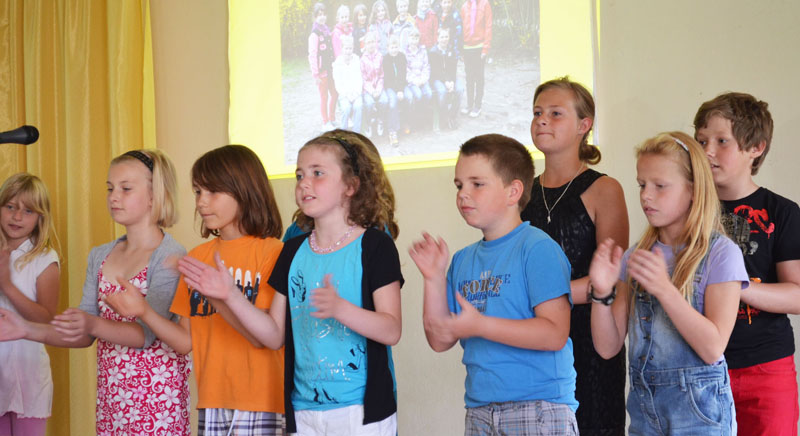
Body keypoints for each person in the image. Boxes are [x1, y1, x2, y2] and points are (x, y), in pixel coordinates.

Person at [182, 130, 403, 435]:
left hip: (361, 411)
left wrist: (340, 309)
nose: (304, 183)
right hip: (303, 412)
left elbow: (391, 330)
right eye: (300, 175)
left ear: (351, 186)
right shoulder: (292, 250)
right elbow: (274, 336)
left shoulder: (376, 246)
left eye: (317, 173)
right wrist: (229, 295)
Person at [0, 150, 191, 435]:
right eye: (110, 188)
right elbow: (82, 333)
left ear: (155, 195)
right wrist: (26, 329)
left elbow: (145, 335)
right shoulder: (100, 255)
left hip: (157, 403)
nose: (114, 197)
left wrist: (91, 323)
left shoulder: (170, 256)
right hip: (113, 399)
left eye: (126, 189)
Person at [107, 145, 286, 435]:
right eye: (198, 192)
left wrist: (220, 296)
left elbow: (262, 338)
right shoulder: (198, 257)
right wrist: (143, 310)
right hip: (211, 401)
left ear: (244, 190)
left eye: (213, 192)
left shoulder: (273, 252)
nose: (202, 202)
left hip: (262, 400)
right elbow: (184, 341)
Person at [410, 134, 578, 435]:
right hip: (480, 411)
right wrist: (433, 278)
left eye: (477, 184)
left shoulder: (537, 248)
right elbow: (439, 339)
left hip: (538, 408)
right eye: (459, 185)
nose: (463, 194)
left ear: (513, 191)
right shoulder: (462, 260)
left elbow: (554, 333)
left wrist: (480, 325)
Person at [589, 132, 748, 435]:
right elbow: (608, 347)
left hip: (701, 417)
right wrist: (601, 292)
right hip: (645, 414)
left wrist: (664, 289)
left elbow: (713, 348)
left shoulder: (721, 254)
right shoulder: (636, 256)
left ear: (693, 190)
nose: (646, 196)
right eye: (642, 185)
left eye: (660, 186)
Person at [521, 77, 628, 435]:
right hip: (535, 338)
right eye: (537, 112)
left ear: (584, 125)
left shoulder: (604, 188)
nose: (542, 120)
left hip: (591, 337)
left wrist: (546, 298)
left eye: (555, 113)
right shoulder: (521, 194)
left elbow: (611, 275)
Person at [694, 92, 800, 435]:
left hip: (765, 368)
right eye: (701, 141)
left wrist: (735, 287)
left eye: (721, 141)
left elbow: (797, 295)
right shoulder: (686, 210)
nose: (707, 151)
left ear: (756, 147)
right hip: (697, 365)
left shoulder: (782, 212)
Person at [0, 173, 60, 436]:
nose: (16, 217)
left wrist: (7, 285)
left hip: (29, 376)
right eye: (10, 206)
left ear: (40, 218)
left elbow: (46, 320)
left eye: (28, 211)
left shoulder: (45, 259)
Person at [308, 2, 337, 131]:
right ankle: (325, 122)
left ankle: (332, 118)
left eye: (324, 14)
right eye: (319, 15)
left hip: (331, 70)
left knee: (335, 94)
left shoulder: (327, 31)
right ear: (315, 17)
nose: (322, 17)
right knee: (324, 97)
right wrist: (316, 74)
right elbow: (312, 55)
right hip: (321, 73)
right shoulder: (314, 35)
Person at [460, 0, 491, 117]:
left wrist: (485, 48)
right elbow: (461, 28)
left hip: (479, 47)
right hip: (467, 48)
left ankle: (477, 105)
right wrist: (461, 50)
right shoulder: (464, 6)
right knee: (469, 78)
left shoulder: (485, 4)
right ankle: (469, 105)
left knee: (478, 78)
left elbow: (488, 27)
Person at [428, 28, 461, 131]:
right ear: (437, 38)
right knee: (442, 91)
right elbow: (435, 71)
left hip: (450, 78)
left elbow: (453, 68)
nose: (444, 39)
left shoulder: (452, 50)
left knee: (460, 89)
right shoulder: (433, 52)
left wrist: (452, 82)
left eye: (446, 36)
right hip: (437, 79)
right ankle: (444, 115)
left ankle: (452, 116)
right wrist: (446, 82)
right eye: (442, 37)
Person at [333, 35, 363, 133]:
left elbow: (359, 78)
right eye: (346, 48)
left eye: (350, 48)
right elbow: (338, 83)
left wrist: (356, 93)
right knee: (346, 108)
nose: (348, 51)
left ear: (353, 48)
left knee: (358, 106)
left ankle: (356, 132)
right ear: (342, 49)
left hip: (356, 93)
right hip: (344, 94)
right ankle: (344, 133)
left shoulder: (356, 60)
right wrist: (347, 94)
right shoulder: (338, 63)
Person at [404, 27, 433, 131]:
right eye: (412, 38)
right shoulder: (405, 53)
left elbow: (426, 66)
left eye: (416, 38)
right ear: (408, 39)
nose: (414, 41)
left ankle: (423, 116)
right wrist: (415, 81)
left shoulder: (423, 51)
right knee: (418, 95)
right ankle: (415, 119)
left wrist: (423, 79)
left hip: (422, 79)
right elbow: (406, 70)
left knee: (428, 93)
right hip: (412, 81)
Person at [382, 34, 408, 147]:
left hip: (401, 86)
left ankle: (406, 122)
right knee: (393, 103)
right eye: (392, 47)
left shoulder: (402, 57)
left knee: (410, 97)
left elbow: (403, 74)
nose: (394, 50)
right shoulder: (386, 59)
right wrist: (397, 91)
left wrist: (401, 90)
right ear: (388, 48)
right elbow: (388, 79)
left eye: (396, 47)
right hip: (390, 87)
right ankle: (392, 131)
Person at [361, 31, 388, 138]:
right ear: (365, 45)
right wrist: (372, 91)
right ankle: (369, 122)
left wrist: (378, 89)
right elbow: (364, 79)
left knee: (384, 100)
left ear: (375, 43)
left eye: (372, 42)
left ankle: (380, 120)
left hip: (379, 87)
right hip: (368, 89)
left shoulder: (380, 56)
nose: (371, 45)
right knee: (369, 103)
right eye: (368, 43)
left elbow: (382, 75)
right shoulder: (363, 59)